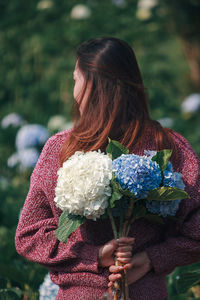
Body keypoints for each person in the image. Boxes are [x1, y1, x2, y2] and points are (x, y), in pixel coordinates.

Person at [15, 37, 200, 300]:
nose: (73, 90)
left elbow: (28, 236)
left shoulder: (60, 150)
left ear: (92, 86)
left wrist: (94, 256)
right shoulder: (170, 148)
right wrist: (148, 259)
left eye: (76, 79)